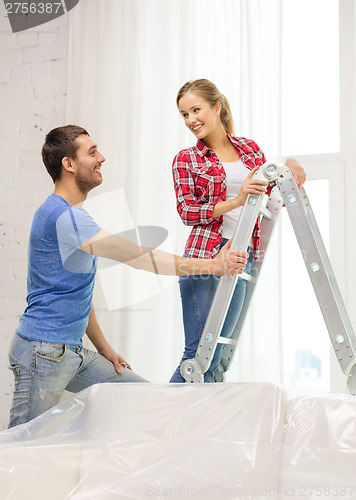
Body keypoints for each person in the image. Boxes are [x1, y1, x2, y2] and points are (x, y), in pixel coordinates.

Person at [8, 125, 249, 428]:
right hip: (42, 351)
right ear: (69, 165)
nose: (102, 158)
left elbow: (79, 292)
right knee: (20, 446)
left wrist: (104, 347)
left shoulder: (72, 216)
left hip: (71, 352)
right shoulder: (64, 216)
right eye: (92, 152)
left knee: (146, 398)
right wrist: (213, 265)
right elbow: (138, 257)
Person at [170, 79, 306, 383]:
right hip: (205, 261)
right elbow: (187, 211)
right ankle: (166, 424)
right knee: (197, 357)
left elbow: (270, 194)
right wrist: (236, 200)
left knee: (215, 359)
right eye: (184, 114)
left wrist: (290, 163)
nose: (191, 120)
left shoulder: (248, 148)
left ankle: (197, 426)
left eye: (196, 110)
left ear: (216, 107)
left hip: (241, 258)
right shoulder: (186, 159)